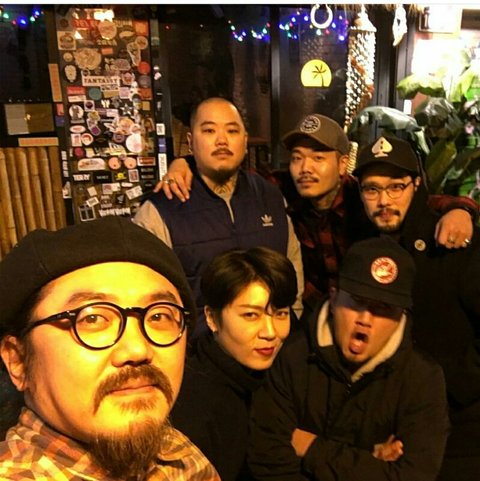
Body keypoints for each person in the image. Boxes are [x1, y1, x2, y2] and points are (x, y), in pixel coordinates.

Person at [156, 113, 478, 310]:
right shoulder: (281, 191)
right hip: (314, 316)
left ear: (342, 164)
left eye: (318, 158)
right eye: (297, 157)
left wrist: (461, 209)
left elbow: (420, 202)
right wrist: (185, 163)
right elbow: (231, 175)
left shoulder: (365, 195)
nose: (305, 168)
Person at [0, 216, 220, 481]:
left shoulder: (181, 456)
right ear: (17, 360)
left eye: (159, 316)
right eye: (92, 318)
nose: (137, 349)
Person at [247, 236, 449, 481]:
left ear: (401, 317)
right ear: (334, 299)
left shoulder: (422, 379)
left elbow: (414, 475)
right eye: (357, 302)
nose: (365, 319)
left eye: (383, 308)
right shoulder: (293, 357)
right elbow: (267, 459)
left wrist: (310, 446)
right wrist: (369, 464)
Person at [354, 135, 480, 481]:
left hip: (462, 432)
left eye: (396, 187)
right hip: (394, 430)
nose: (384, 200)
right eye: (372, 189)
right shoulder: (362, 245)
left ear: (417, 185)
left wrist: (447, 385)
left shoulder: (452, 241)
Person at [133, 97, 304, 336]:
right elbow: (146, 294)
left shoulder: (270, 196)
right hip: (198, 349)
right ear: (190, 142)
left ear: (245, 141)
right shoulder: (161, 209)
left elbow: (292, 268)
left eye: (232, 131)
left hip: (271, 343)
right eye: (209, 130)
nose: (222, 140)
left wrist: (290, 325)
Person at [171, 246, 297, 481]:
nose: (270, 332)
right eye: (251, 315)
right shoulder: (192, 404)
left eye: (280, 313)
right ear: (211, 318)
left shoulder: (285, 374)